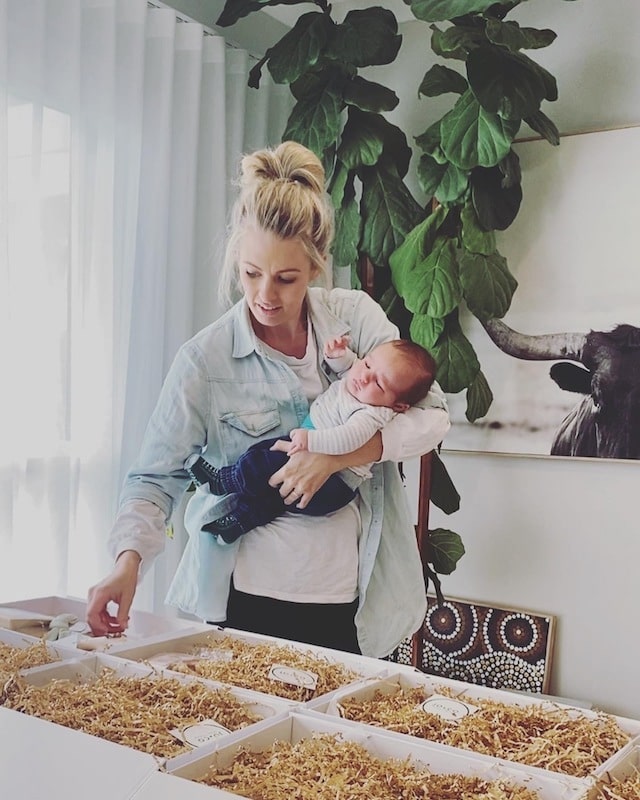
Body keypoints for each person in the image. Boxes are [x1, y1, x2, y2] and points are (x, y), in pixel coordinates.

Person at [86, 140, 450, 656]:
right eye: (251, 273)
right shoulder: (204, 360)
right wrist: (127, 563)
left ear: (317, 265)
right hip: (247, 601)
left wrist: (338, 457)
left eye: (286, 278)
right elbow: (154, 477)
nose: (264, 295)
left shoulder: (358, 321)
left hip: (349, 602)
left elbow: (433, 416)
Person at [184, 336, 437, 543]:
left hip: (332, 484)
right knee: (273, 494)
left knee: (264, 462)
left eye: (379, 384)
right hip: (315, 463)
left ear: (399, 405)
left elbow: (347, 440)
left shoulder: (371, 414)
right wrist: (338, 355)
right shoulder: (360, 383)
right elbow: (350, 367)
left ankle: (225, 481)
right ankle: (240, 521)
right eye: (369, 364)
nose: (364, 376)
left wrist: (310, 442)